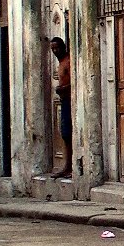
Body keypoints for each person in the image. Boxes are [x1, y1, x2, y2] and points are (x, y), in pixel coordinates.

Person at [49, 37, 72, 179]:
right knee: (64, 134)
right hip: (63, 101)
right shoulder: (60, 62)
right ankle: (66, 165)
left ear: (63, 47)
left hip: (69, 101)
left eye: (57, 48)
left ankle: (69, 167)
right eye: (52, 49)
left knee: (68, 133)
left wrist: (63, 88)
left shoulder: (68, 61)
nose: (55, 51)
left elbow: (74, 80)